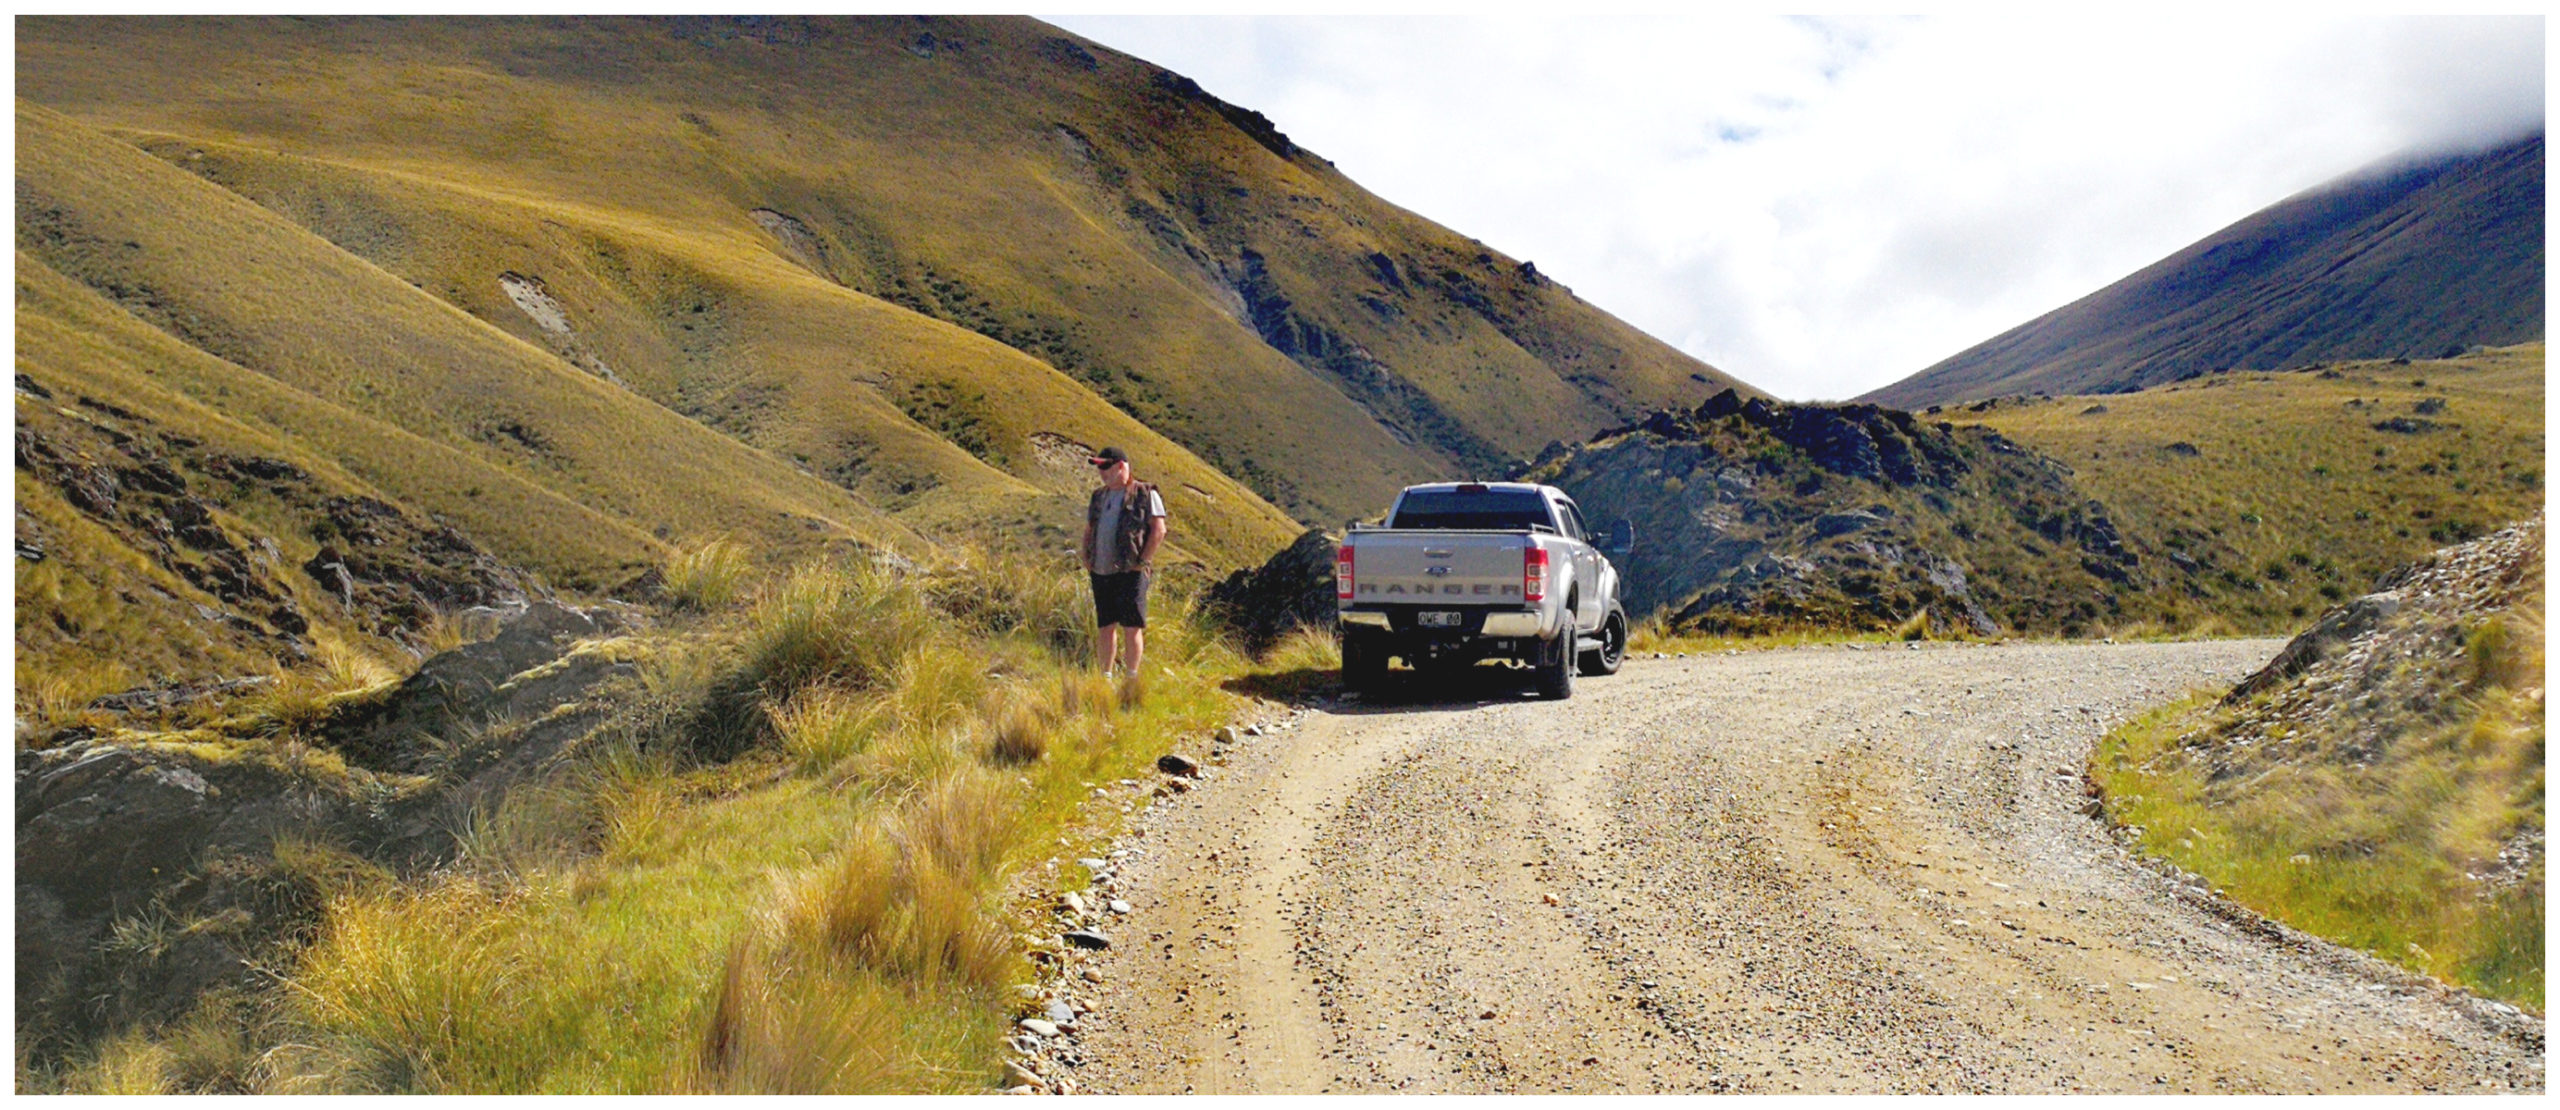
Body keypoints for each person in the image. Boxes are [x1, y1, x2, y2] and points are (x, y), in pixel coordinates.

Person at [1080, 446, 1167, 676]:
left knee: (1132, 626)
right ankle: (1105, 677)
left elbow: (1159, 530)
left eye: (1106, 466)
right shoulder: (1099, 496)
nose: (1102, 472)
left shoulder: (1146, 493)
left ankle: (1131, 678)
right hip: (1101, 569)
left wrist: (1143, 561)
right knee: (1105, 626)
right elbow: (1089, 528)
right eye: (1099, 467)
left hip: (1131, 571)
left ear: (1121, 466)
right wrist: (1086, 554)